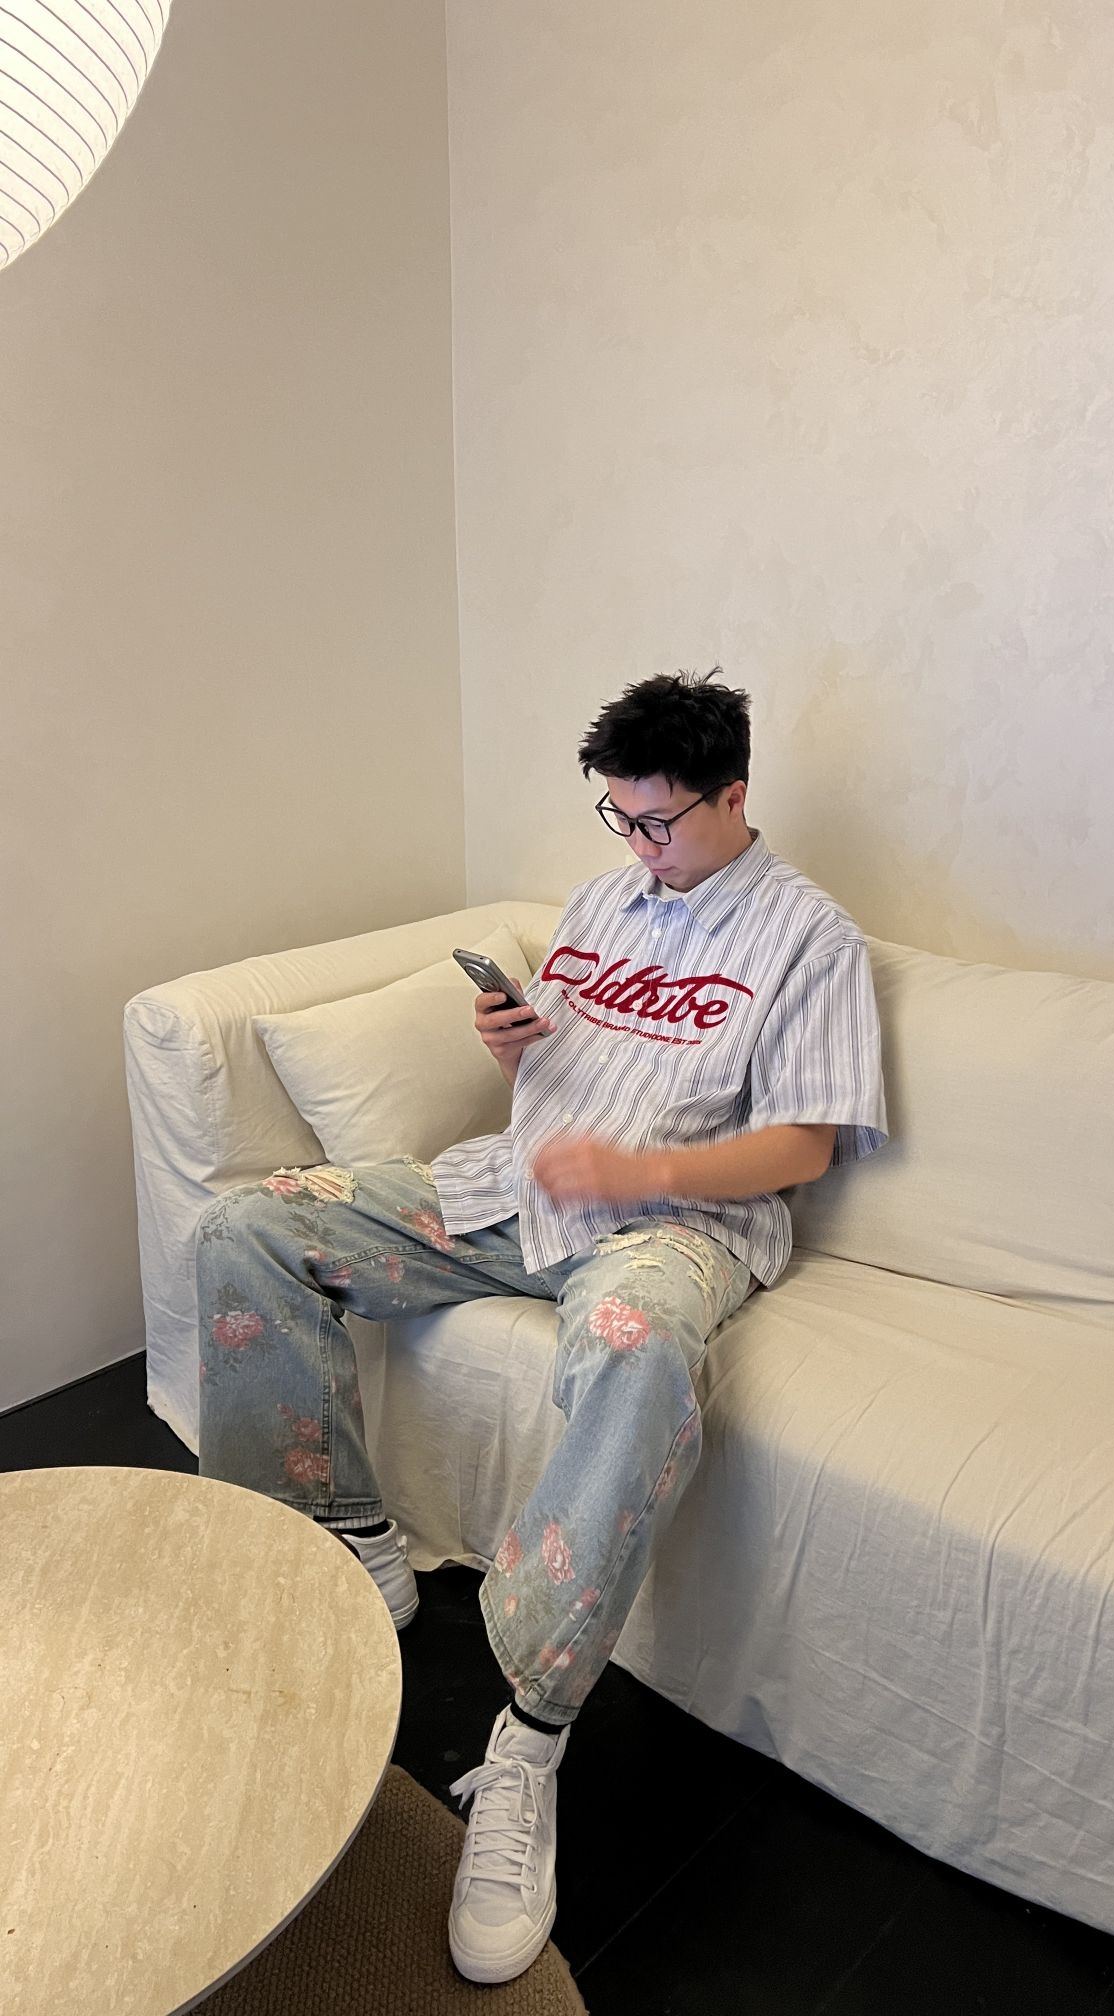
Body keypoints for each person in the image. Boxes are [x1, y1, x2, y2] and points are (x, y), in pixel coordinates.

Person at [195, 666, 888, 1985]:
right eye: (619, 817)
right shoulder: (601, 901)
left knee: (634, 1346)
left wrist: (644, 1173)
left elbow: (803, 1145)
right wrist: (512, 1041)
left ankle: (529, 1732)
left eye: (659, 822)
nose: (637, 844)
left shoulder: (811, 939)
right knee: (248, 1228)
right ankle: (346, 1537)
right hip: (515, 1193)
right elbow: (566, 1062)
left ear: (732, 796)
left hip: (673, 1227)